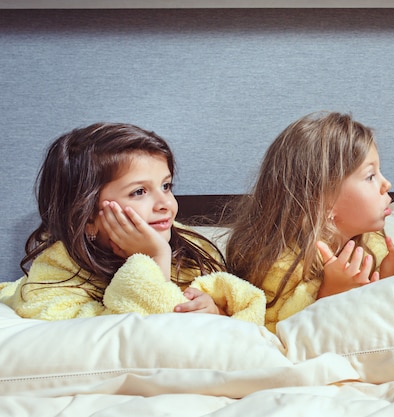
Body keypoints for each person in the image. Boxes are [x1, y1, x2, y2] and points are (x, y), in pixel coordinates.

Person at [0, 123, 265, 323]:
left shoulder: (192, 249)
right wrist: (152, 259)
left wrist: (216, 311)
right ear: (87, 217)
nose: (165, 203)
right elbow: (120, 335)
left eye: (166, 186)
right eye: (139, 192)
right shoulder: (59, 270)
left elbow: (239, 312)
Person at [225, 111, 394, 332]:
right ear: (321, 202)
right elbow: (274, 336)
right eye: (370, 176)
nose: (387, 183)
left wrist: (391, 273)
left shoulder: (373, 243)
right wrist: (329, 295)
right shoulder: (280, 267)